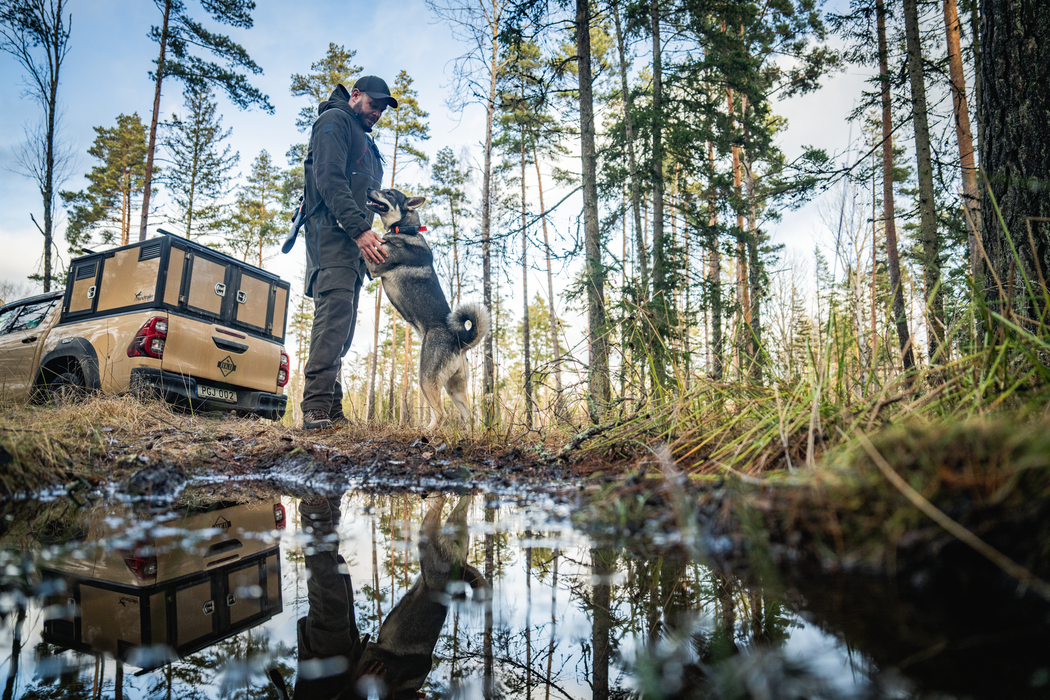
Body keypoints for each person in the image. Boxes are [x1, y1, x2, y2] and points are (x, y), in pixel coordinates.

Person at [300, 76, 397, 431]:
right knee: (333, 320)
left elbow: (369, 196)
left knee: (344, 327)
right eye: (374, 105)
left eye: (383, 109)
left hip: (356, 246)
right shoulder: (334, 121)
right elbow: (328, 178)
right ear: (355, 95)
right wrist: (358, 229)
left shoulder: (366, 142)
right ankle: (314, 408)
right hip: (333, 238)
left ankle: (332, 410)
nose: (378, 113)